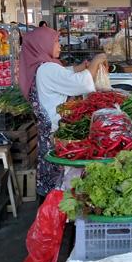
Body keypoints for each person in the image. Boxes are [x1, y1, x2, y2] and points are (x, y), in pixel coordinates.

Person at [19, 26, 107, 200]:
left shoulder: (41, 66)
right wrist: (97, 60)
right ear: (42, 44)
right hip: (57, 133)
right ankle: (59, 213)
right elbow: (80, 83)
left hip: (51, 131)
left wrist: (82, 66)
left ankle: (52, 207)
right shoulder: (47, 69)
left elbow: (64, 75)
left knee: (53, 177)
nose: (60, 46)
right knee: (62, 180)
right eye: (56, 41)